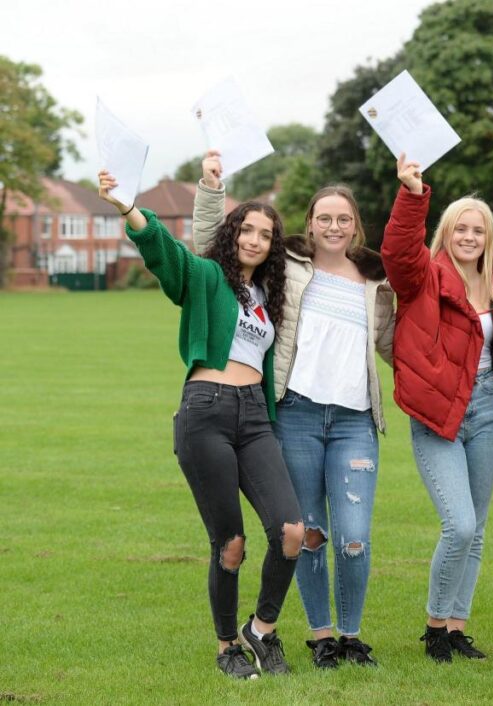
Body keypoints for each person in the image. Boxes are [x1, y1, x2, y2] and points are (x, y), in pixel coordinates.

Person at [191, 151, 395, 668]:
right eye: (323, 217)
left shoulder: (376, 280)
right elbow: (221, 246)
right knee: (307, 535)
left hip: (354, 422)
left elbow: (395, 344)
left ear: (356, 227)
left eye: (343, 218)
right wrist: (213, 188)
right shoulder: (289, 268)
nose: (333, 226)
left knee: (354, 537)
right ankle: (322, 638)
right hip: (297, 415)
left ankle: (352, 635)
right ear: (310, 224)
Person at [98, 170, 304, 679]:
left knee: (291, 531)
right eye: (247, 229)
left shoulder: (265, 299)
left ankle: (262, 629)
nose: (255, 240)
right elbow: (164, 252)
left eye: (265, 234)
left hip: (254, 415)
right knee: (230, 543)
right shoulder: (207, 276)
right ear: (232, 233)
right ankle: (226, 647)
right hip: (205, 411)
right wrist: (128, 208)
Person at [382, 154, 493, 663]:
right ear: (446, 231)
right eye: (460, 228)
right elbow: (397, 251)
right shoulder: (423, 275)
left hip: (487, 411)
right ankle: (435, 626)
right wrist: (411, 194)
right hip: (439, 414)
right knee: (458, 524)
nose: (468, 236)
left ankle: (457, 627)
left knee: (478, 528)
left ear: (488, 238)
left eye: (478, 230)